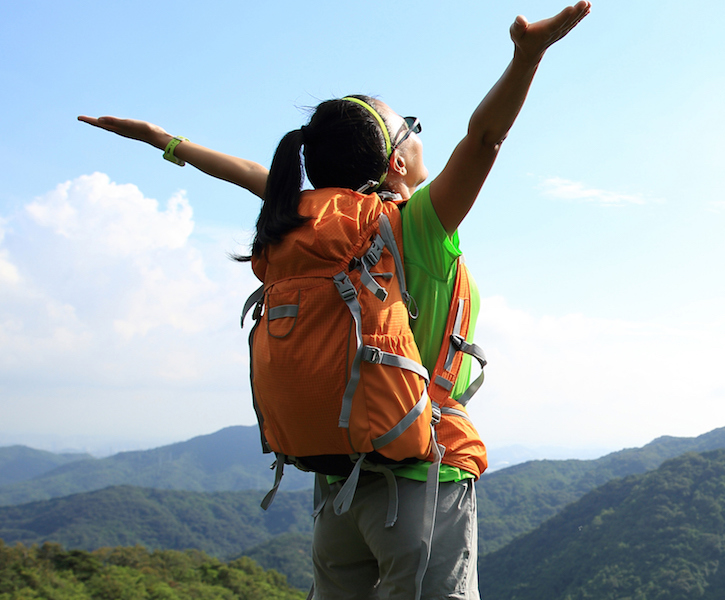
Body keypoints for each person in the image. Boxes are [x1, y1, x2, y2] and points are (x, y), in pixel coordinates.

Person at [80, 4, 590, 599]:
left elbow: (251, 174)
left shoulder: (300, 223)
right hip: (423, 481)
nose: (422, 138)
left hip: (336, 487)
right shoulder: (412, 227)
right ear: (397, 161)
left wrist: (164, 142)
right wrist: (527, 57)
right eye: (413, 130)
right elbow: (484, 139)